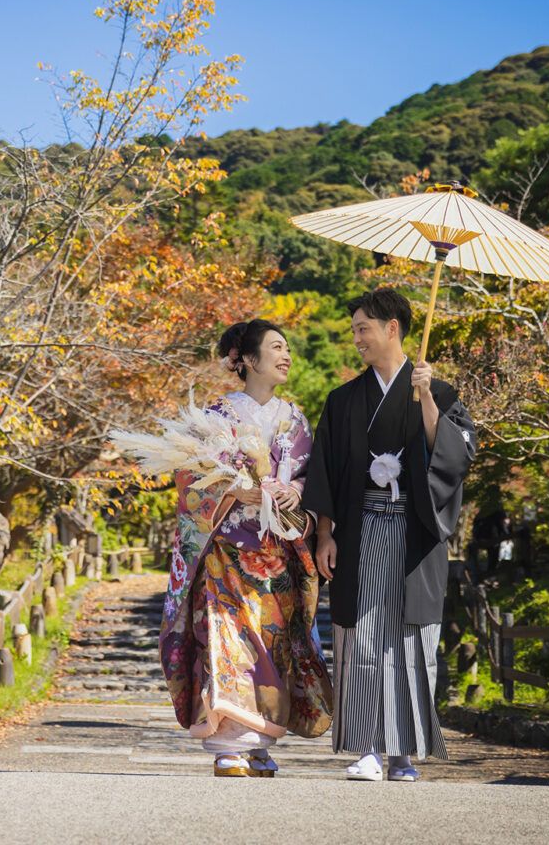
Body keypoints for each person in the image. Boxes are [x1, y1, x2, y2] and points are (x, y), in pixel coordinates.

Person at [303, 288, 476, 783]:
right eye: (355, 329)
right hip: (359, 532)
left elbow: (455, 456)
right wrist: (325, 536)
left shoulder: (439, 393)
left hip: (415, 534)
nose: (357, 338)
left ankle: (403, 751)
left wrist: (425, 399)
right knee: (360, 636)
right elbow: (329, 472)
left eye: (364, 328)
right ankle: (366, 749)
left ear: (393, 329)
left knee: (410, 639)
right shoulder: (344, 400)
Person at [158, 319, 334, 777]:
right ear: (249, 360)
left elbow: (312, 476)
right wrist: (236, 489)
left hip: (277, 553)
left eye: (288, 348)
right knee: (225, 639)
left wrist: (293, 490)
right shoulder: (217, 417)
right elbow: (190, 480)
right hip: (224, 550)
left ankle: (258, 740)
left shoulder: (294, 419)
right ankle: (227, 743)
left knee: (271, 645)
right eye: (276, 348)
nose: (286, 355)